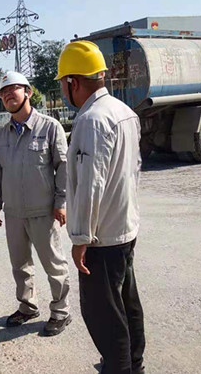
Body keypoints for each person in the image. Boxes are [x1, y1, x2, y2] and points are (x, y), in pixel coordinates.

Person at [56, 40, 146, 373]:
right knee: (126, 303)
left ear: (73, 82)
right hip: (123, 228)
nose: (63, 90)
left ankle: (119, 368)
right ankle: (134, 364)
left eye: (63, 84)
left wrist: (81, 238)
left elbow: (90, 183)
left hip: (101, 237)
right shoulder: (125, 112)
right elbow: (134, 171)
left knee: (103, 314)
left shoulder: (91, 120)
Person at [0, 71, 72, 336]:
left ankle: (61, 311)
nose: (8, 95)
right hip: (13, 212)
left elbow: (64, 167)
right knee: (20, 265)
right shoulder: (1, 136)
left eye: (13, 89)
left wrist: (61, 202)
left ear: (28, 92)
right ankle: (28, 306)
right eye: (3, 92)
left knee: (54, 265)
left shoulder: (49, 127)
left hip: (43, 211)